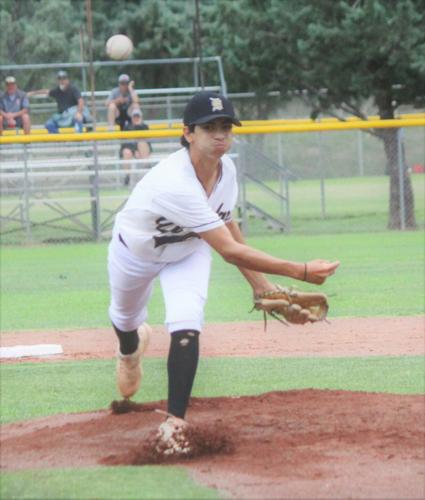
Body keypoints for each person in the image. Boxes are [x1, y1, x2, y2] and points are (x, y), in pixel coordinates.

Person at [108, 91, 339, 455]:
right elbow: (229, 250)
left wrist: (260, 287)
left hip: (187, 251)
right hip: (135, 252)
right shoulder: (174, 180)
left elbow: (228, 226)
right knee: (124, 319)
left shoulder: (225, 170)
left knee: (187, 320)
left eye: (226, 127)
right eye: (209, 127)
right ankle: (130, 349)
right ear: (188, 133)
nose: (220, 135)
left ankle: (175, 423)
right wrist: (301, 271)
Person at [119, 108, 152, 186]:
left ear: (141, 118)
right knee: (126, 152)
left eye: (138, 116)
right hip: (131, 151)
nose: (136, 118)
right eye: (134, 116)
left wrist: (139, 125)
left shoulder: (144, 126)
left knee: (142, 143)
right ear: (132, 118)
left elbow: (148, 142)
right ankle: (127, 176)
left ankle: (146, 171)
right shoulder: (127, 127)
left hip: (143, 152)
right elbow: (125, 144)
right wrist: (135, 150)